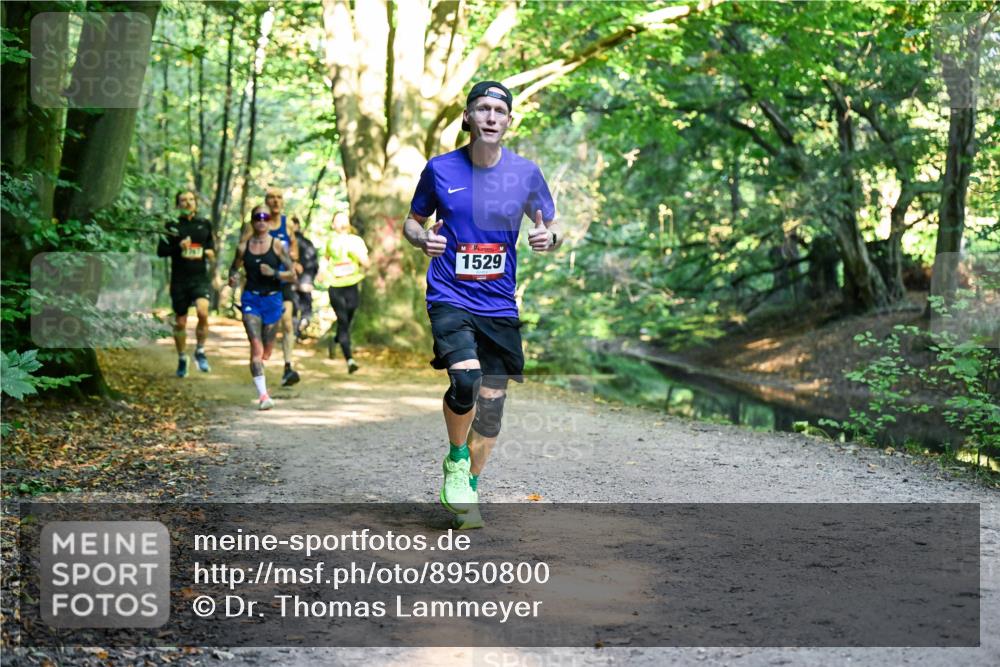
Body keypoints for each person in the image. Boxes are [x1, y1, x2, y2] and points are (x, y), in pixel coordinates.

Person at [402, 81, 561, 529]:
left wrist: (549, 237)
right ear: (468, 118)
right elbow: (412, 223)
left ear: (509, 121)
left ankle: (468, 485)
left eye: (499, 110)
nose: (491, 117)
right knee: (466, 378)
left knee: (491, 404)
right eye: (483, 109)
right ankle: (456, 458)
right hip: (450, 293)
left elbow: (551, 225)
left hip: (499, 303)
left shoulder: (526, 173)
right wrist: (423, 239)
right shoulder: (440, 170)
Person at [228, 206, 297, 410]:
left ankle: (264, 360)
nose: (261, 221)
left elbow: (292, 274)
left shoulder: (277, 246)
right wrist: (232, 277)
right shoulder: (243, 247)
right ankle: (263, 395)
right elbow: (234, 267)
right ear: (252, 221)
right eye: (257, 217)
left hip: (273, 300)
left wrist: (274, 273)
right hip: (251, 299)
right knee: (256, 348)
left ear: (269, 222)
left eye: (265, 217)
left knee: (267, 350)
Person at [241, 187, 302, 386]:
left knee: (287, 322)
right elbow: (244, 253)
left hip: (282, 282)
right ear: (266, 201)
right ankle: (261, 360)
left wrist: (293, 262)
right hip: (258, 286)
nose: (275, 201)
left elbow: (294, 253)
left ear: (283, 201)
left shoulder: (288, 225)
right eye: (271, 198)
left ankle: (288, 366)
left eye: (279, 197)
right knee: (266, 332)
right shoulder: (256, 225)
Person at [157, 190, 215, 377]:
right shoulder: (172, 226)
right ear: (178, 204)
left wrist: (207, 253)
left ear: (196, 203)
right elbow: (161, 251)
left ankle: (200, 351)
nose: (188, 203)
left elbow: (211, 249)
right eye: (183, 200)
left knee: (203, 311)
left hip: (199, 278)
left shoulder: (204, 224)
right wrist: (178, 247)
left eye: (191, 199)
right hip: (179, 280)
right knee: (180, 322)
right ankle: (182, 358)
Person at [319, 211, 369, 373]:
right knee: (343, 321)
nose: (340, 222)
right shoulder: (330, 241)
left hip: (352, 285)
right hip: (335, 286)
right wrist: (320, 272)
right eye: (337, 220)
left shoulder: (356, 241)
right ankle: (350, 360)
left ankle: (336, 338)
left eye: (343, 219)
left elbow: (366, 263)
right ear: (333, 225)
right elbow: (325, 259)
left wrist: (359, 257)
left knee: (347, 320)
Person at [289, 216, 319, 341]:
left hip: (293, 280)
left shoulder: (287, 243)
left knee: (294, 309)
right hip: (305, 280)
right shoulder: (308, 243)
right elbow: (314, 263)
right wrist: (311, 278)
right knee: (306, 309)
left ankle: (295, 332)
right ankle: (300, 327)